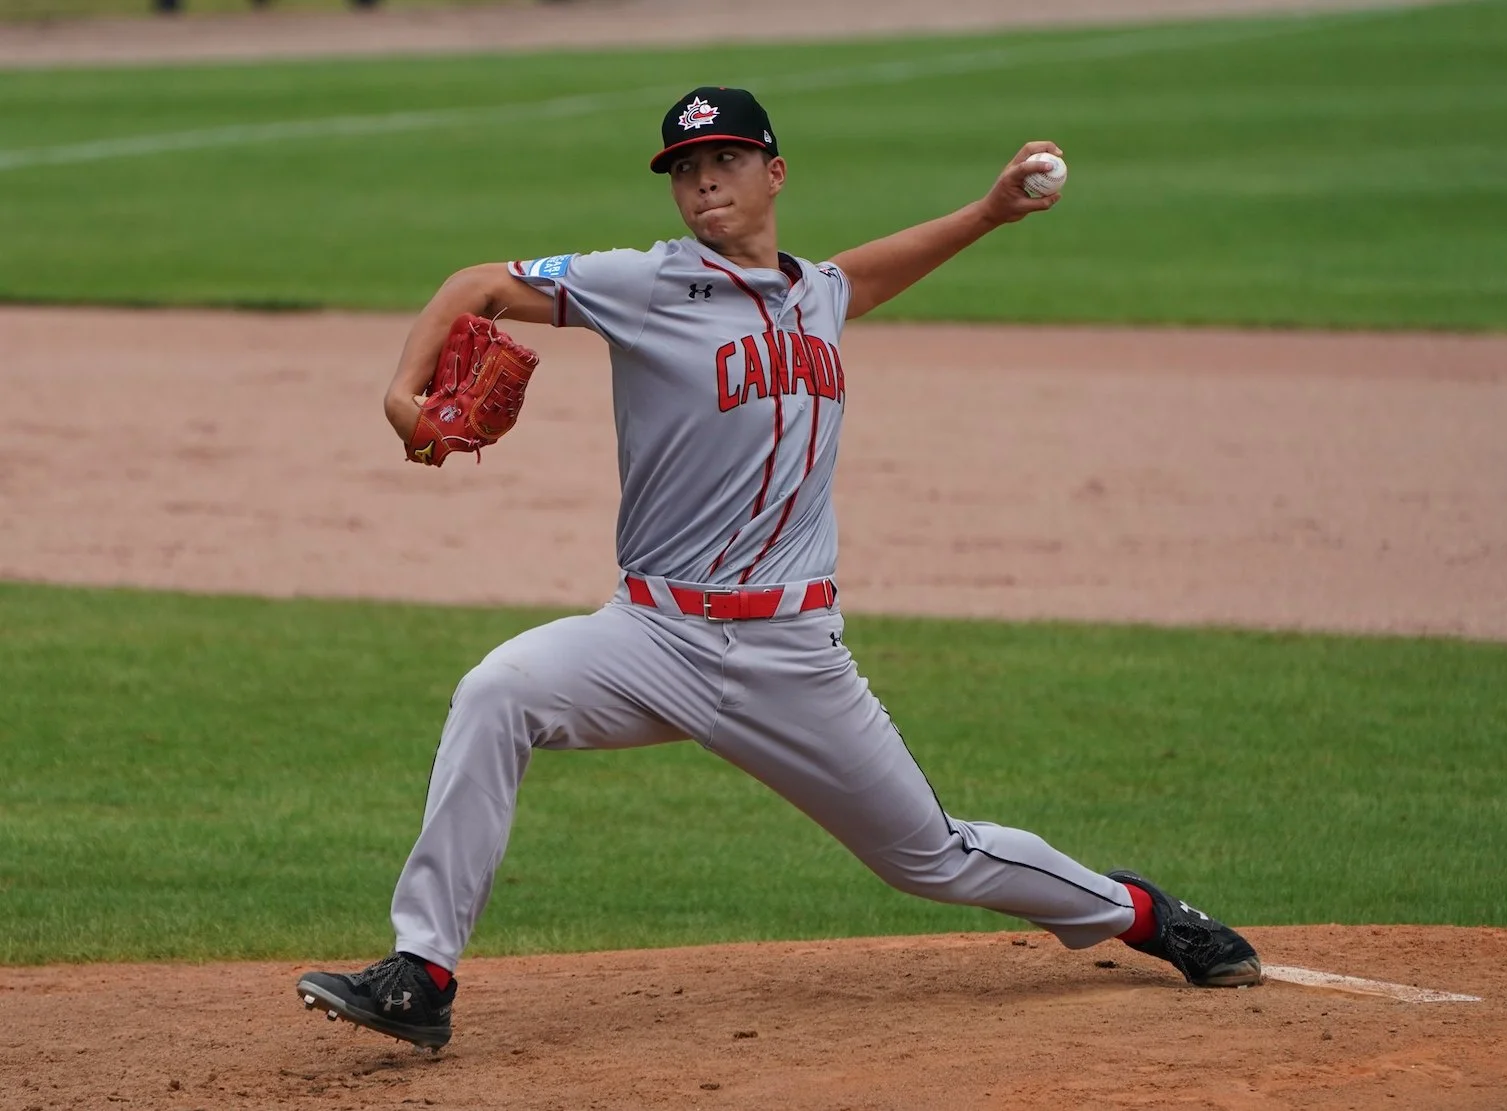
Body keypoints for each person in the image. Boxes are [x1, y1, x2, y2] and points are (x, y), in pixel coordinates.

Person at [295, 86, 1261, 1051]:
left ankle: (1140, 912)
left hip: (793, 656)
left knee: (931, 857)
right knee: (496, 691)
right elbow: (476, 285)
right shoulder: (644, 283)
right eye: (684, 168)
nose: (704, 180)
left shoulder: (819, 294)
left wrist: (990, 212)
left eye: (725, 159)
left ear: (775, 173)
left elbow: (862, 274)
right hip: (652, 635)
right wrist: (402, 395)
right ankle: (422, 971)